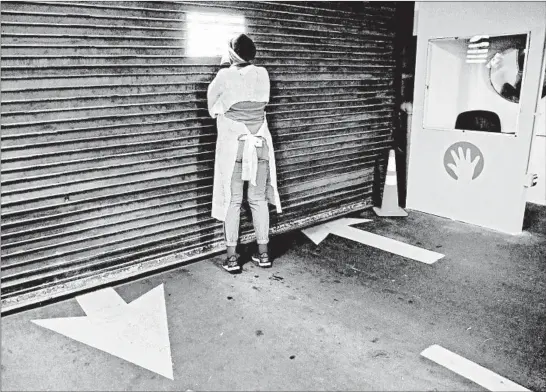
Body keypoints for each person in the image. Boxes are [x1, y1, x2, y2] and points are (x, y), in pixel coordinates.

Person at [207, 33, 282, 273]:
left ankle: (231, 258)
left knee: (232, 201)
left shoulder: (224, 75)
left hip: (234, 147)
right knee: (258, 200)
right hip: (260, 144)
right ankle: (264, 254)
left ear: (232, 54)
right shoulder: (263, 74)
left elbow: (212, 105)